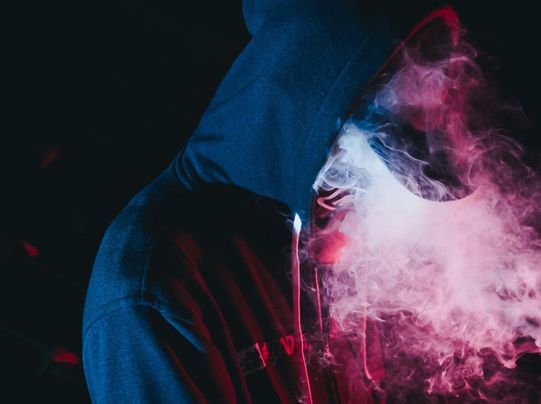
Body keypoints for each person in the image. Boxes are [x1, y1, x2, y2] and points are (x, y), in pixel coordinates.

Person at [81, 1, 457, 402]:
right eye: (375, 162)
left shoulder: (325, 242)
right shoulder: (151, 286)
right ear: (308, 108)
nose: (371, 199)